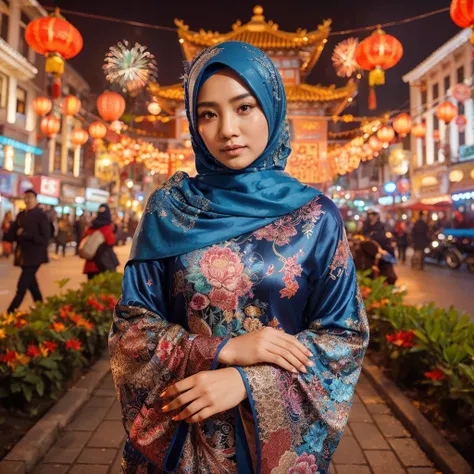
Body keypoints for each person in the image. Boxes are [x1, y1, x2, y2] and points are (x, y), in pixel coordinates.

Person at [109, 42, 369, 474]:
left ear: (272, 108)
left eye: (244, 108)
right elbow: (131, 331)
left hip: (275, 449)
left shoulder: (316, 216)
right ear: (194, 123)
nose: (227, 129)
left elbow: (343, 339)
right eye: (208, 114)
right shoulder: (170, 210)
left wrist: (248, 382)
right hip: (184, 434)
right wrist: (222, 349)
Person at [5, 190, 50, 313]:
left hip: (35, 256)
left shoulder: (42, 215)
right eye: (25, 197)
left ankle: (10, 312)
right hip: (23, 256)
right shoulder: (20, 215)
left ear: (36, 199)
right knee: (32, 284)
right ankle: (43, 309)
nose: (27, 200)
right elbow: (11, 235)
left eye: (30, 197)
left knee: (22, 286)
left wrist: (25, 235)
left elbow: (45, 238)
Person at [80, 203, 117, 280]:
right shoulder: (107, 228)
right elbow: (111, 242)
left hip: (90, 265)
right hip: (102, 265)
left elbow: (84, 237)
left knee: (90, 289)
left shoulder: (91, 226)